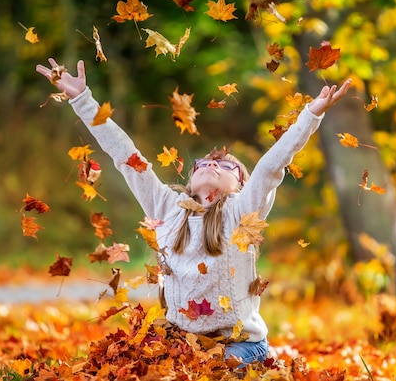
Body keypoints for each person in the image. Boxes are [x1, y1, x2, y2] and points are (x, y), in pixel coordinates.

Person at [36, 58, 351, 366]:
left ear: (241, 187)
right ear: (190, 179)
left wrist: (310, 115)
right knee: (137, 361)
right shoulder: (166, 206)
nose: (213, 164)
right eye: (204, 163)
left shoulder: (241, 212)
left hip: (239, 344)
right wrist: (83, 100)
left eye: (227, 167)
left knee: (214, 369)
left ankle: (261, 359)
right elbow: (125, 155)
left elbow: (271, 166)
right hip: (183, 341)